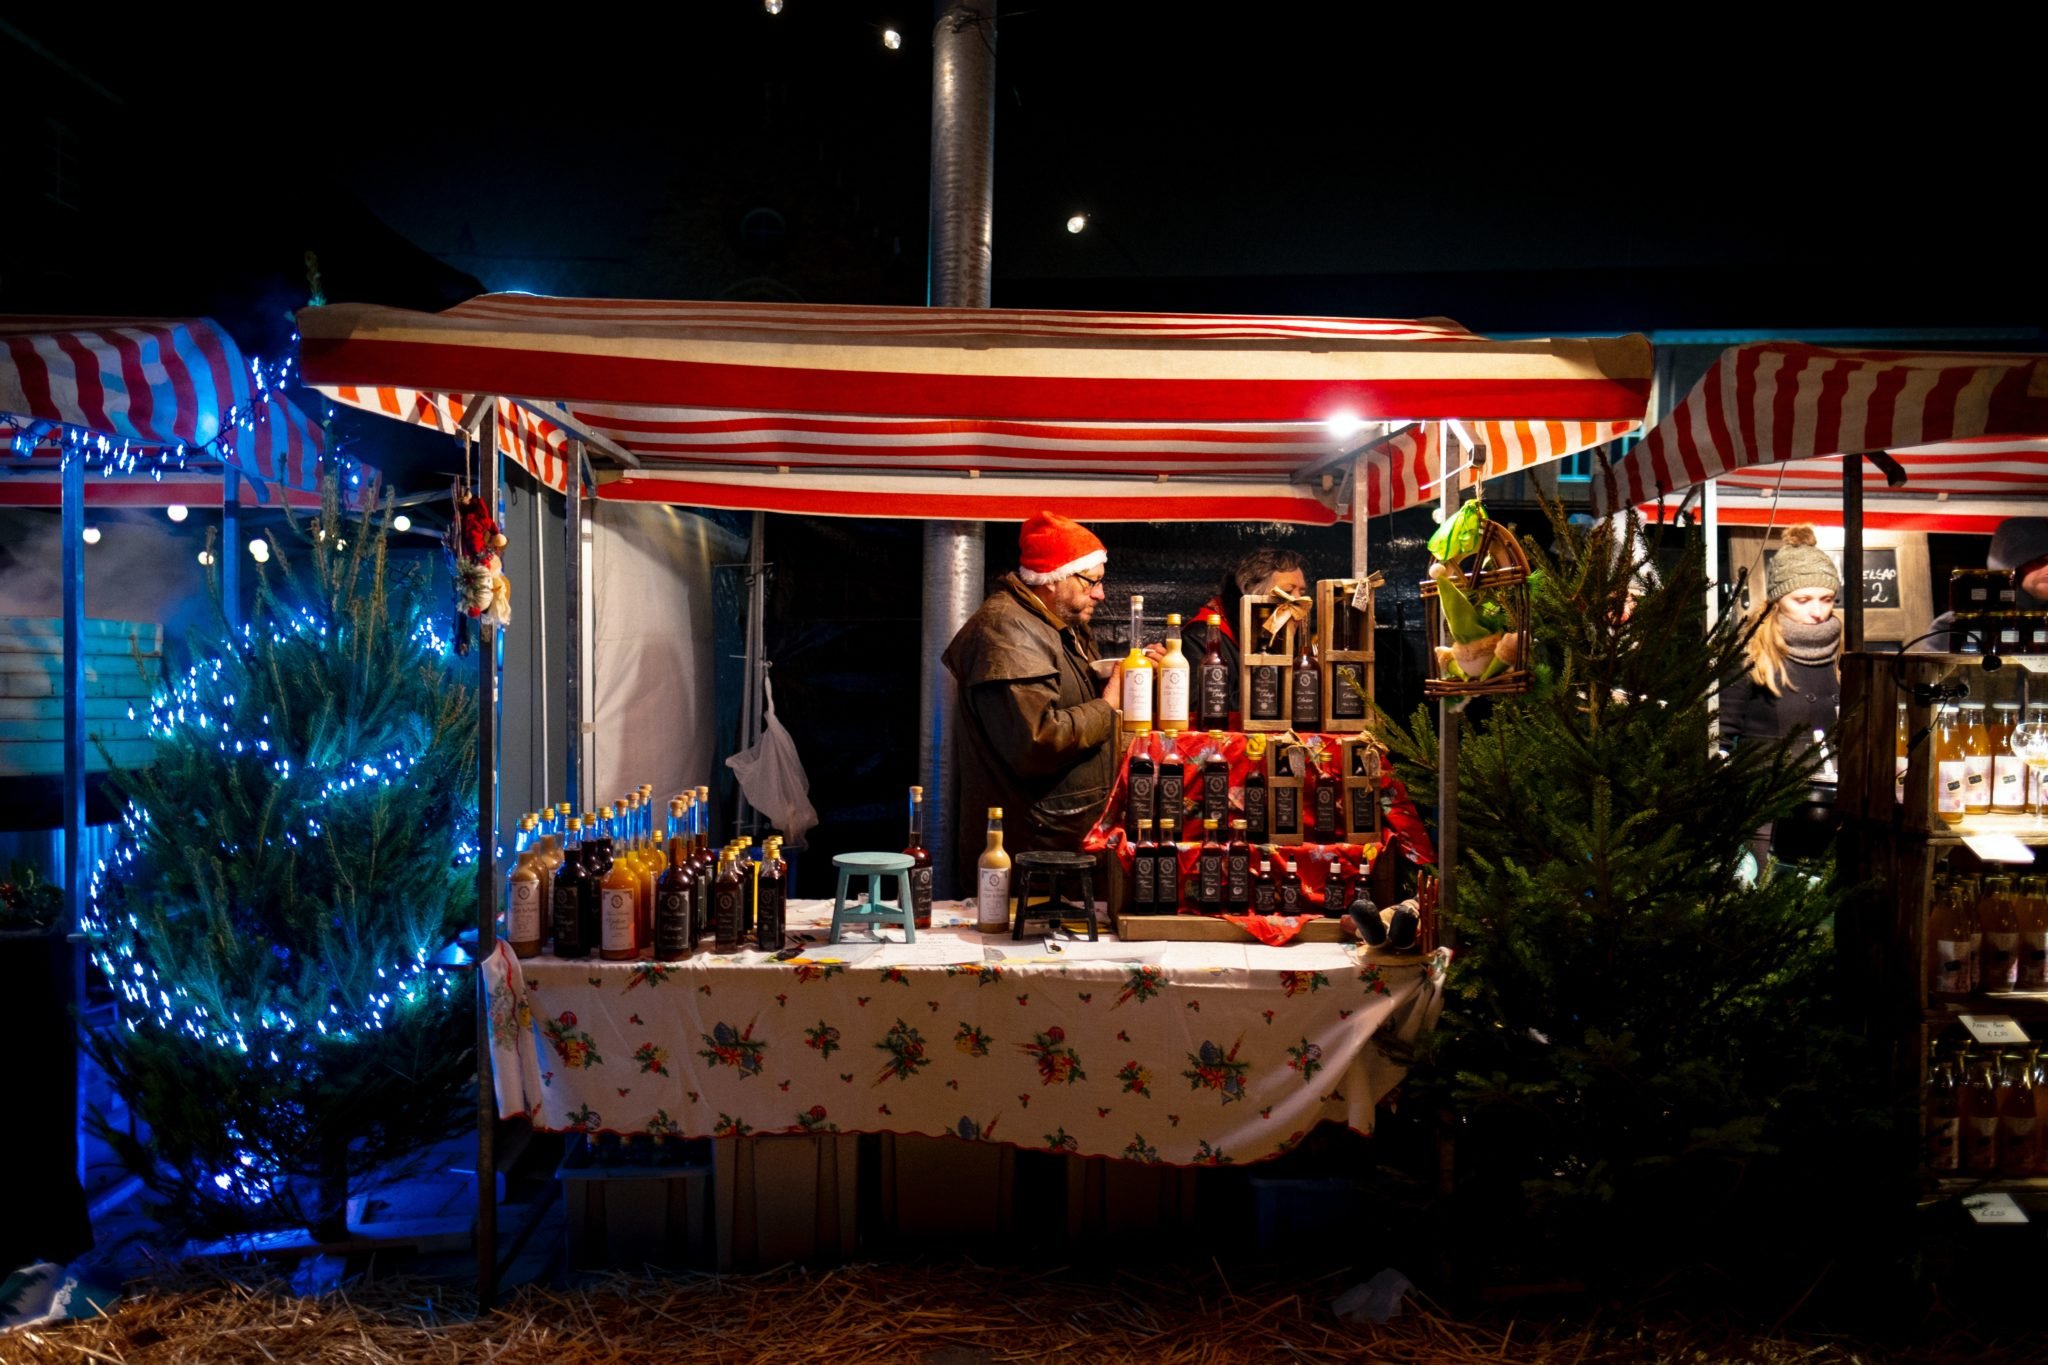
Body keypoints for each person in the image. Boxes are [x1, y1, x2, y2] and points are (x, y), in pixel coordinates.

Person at [942, 512, 1124, 889]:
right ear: (1054, 580)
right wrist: (1109, 703)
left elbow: (1063, 694)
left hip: (1058, 834)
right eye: (1091, 582)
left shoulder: (1053, 622)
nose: (1100, 594)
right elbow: (1037, 741)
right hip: (1035, 843)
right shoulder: (1007, 631)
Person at [1720, 525, 1842, 867]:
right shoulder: (1752, 650)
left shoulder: (1842, 649)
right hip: (1765, 808)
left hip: (1829, 806)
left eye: (1827, 598)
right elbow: (1721, 733)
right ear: (1778, 598)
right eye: (1802, 600)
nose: (1817, 611)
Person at [1188, 548, 1309, 725]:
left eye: (1302, 593)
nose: (1300, 603)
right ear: (1254, 596)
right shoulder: (1200, 638)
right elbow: (1199, 708)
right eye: (1288, 593)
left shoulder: (1285, 639)